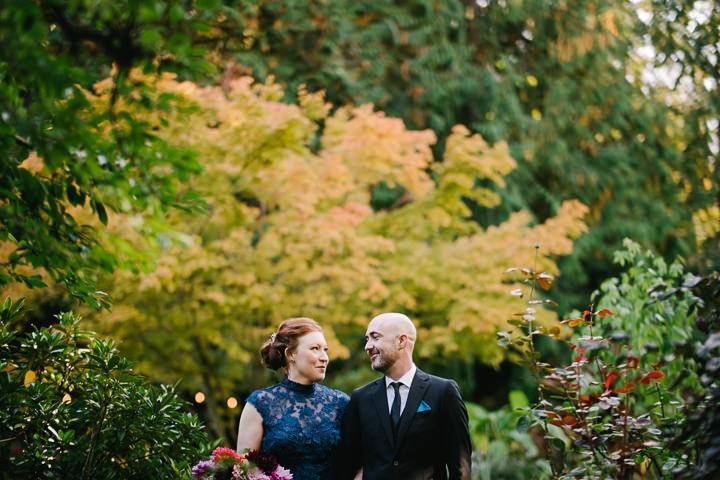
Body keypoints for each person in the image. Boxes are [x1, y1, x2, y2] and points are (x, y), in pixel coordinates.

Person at [339, 312, 472, 480]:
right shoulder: (360, 398)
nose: (367, 346)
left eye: (375, 337)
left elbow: (460, 466)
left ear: (401, 341)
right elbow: (348, 464)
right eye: (367, 339)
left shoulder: (443, 391)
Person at [237, 317, 349, 479]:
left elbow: (359, 461)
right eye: (315, 348)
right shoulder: (259, 403)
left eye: (325, 349)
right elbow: (243, 469)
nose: (324, 357)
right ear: (291, 354)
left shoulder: (341, 403)